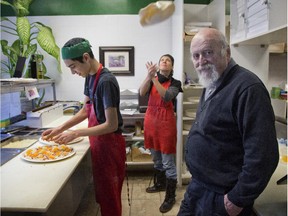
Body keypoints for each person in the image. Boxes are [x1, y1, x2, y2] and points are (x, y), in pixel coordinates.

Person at [177, 28, 279, 216]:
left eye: (208, 52)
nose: (201, 61)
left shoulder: (248, 88)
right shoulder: (212, 82)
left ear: (227, 52)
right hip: (198, 187)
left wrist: (237, 199)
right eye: (196, 55)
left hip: (221, 196)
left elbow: (264, 155)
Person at [41, 38, 126, 216]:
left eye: (73, 66)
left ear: (86, 57)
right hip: (98, 143)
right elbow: (84, 112)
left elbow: (111, 125)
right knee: (103, 194)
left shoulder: (106, 82)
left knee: (110, 196)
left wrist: (77, 132)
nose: (73, 72)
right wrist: (60, 129)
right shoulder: (89, 77)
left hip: (110, 145)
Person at [139, 54, 183, 213]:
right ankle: (160, 184)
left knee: (168, 162)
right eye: (162, 60)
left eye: (168, 60)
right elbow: (142, 92)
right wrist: (148, 76)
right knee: (156, 159)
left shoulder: (176, 83)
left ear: (172, 67)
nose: (164, 61)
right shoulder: (152, 80)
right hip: (151, 122)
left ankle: (170, 197)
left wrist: (154, 78)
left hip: (166, 124)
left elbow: (166, 97)